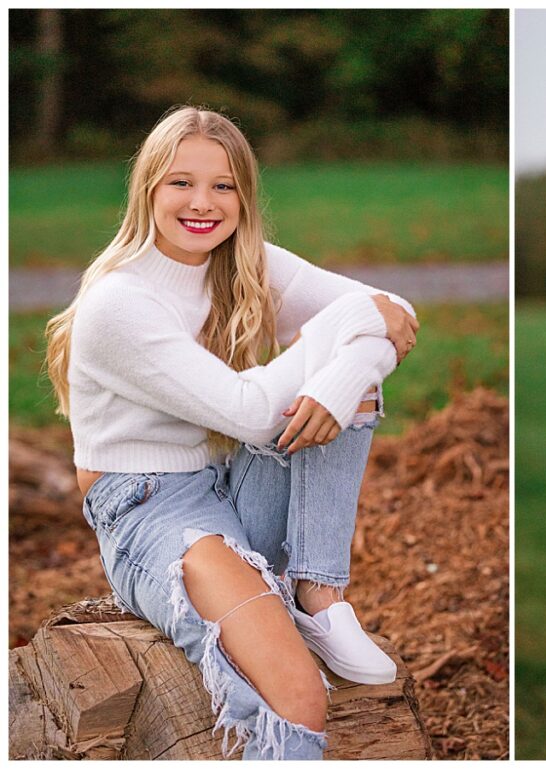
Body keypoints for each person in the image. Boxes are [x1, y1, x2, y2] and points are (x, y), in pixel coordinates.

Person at [44, 106, 420, 760]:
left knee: (354, 377)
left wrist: (348, 363)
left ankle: (320, 595)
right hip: (152, 511)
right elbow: (251, 411)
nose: (202, 203)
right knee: (298, 693)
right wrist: (355, 323)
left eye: (223, 186)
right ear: (148, 189)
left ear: (244, 196)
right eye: (180, 183)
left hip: (229, 478)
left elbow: (396, 312)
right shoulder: (118, 304)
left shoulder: (242, 262)